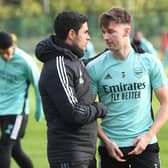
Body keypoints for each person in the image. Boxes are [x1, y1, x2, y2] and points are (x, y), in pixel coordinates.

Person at [86, 7, 168, 168]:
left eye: (111, 31)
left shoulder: (149, 62)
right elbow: (87, 111)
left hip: (145, 147)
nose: (106, 37)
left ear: (126, 31)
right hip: (111, 149)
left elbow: (166, 103)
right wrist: (105, 141)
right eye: (103, 32)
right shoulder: (94, 67)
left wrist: (148, 136)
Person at [35, 11, 106, 168]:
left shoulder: (73, 60)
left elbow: (86, 66)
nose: (89, 37)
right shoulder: (58, 65)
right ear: (72, 34)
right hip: (70, 155)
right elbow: (74, 112)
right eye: (85, 32)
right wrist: (100, 108)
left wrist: (111, 52)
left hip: (82, 154)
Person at [0, 31, 43, 168]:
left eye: (7, 52)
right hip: (1, 109)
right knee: (16, 151)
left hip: (17, 112)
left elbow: (38, 85)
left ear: (13, 46)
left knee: (5, 146)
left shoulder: (25, 61)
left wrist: (39, 109)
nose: (6, 56)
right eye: (1, 53)